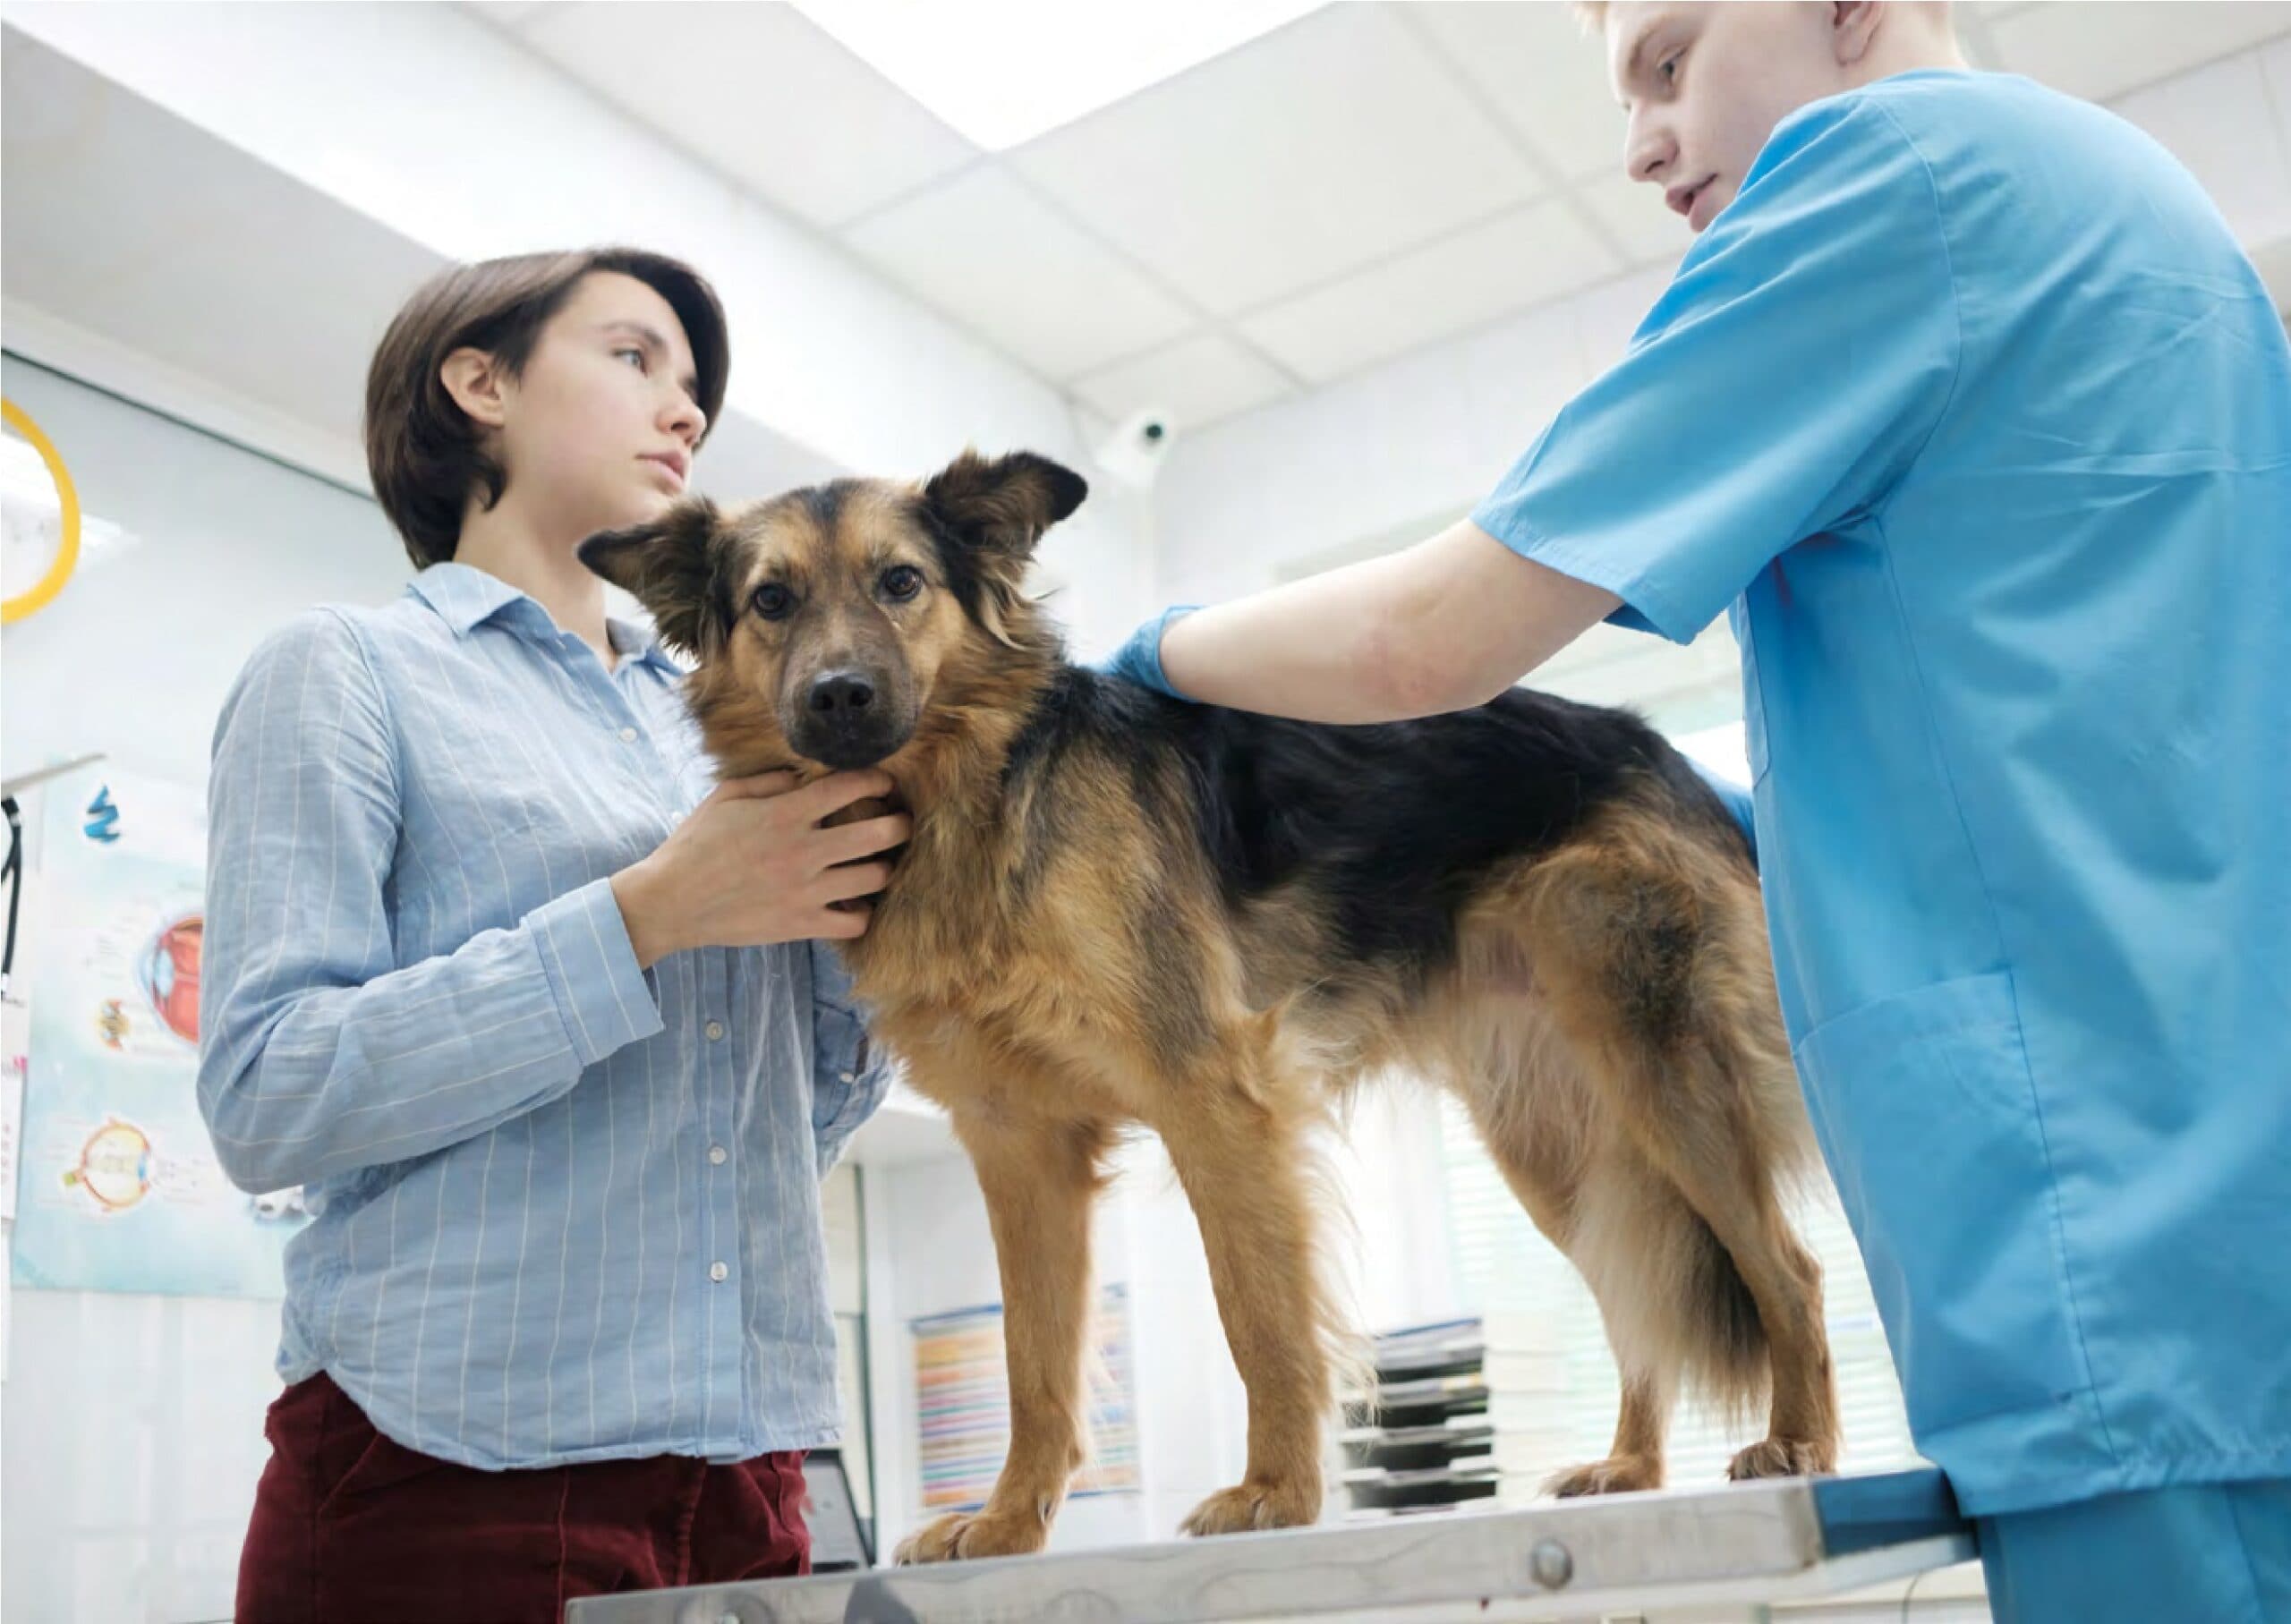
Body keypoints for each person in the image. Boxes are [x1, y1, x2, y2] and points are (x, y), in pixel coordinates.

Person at [1104, 4, 2291, 1617]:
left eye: (1669, 61)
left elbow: (1427, 641)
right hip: (2223, 1192)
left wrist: (1144, 656)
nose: (1641, 144)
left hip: (2124, 1268)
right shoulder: (2140, 209)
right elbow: (2067, 737)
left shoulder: (1882, 181)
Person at [199, 247, 911, 1621]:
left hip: (753, 1475)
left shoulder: (734, 716)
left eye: (696, 389)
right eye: (636, 356)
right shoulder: (347, 670)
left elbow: (791, 1118)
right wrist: (649, 916)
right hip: (446, 1473)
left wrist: (867, 972)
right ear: (482, 384)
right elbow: (266, 1094)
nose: (686, 411)